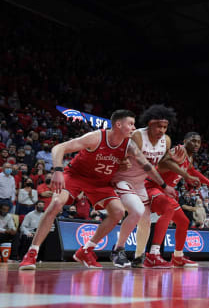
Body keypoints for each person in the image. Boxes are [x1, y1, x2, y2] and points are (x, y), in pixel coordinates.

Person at [18, 110, 176, 270]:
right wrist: (58, 170)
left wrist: (164, 185)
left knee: (118, 212)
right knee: (57, 203)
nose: (134, 128)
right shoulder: (96, 137)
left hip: (100, 182)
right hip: (75, 176)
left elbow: (147, 166)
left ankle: (86, 250)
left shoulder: (130, 145)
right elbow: (59, 148)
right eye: (131, 124)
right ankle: (31, 253)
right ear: (118, 124)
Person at [112, 105, 189, 268]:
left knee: (145, 220)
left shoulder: (166, 141)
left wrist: (172, 160)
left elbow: (160, 165)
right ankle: (118, 250)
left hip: (140, 182)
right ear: (150, 123)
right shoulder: (138, 136)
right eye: (158, 126)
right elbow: (119, 153)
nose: (162, 130)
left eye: (165, 127)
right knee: (137, 210)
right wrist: (122, 161)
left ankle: (140, 257)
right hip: (123, 179)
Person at [145, 131, 209, 267]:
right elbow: (164, 162)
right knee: (168, 210)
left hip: (165, 192)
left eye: (199, 142)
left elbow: (192, 171)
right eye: (193, 140)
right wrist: (186, 175)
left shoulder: (189, 158)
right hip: (152, 186)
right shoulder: (178, 150)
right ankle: (152, 255)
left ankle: (178, 257)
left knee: (183, 221)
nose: (196, 144)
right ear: (185, 141)